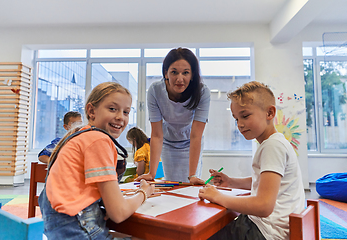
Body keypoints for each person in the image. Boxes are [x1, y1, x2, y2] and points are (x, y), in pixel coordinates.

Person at [38, 82, 155, 240]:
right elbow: (118, 213)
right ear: (91, 111)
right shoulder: (98, 140)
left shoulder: (79, 135)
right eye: (113, 109)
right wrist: (144, 192)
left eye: (126, 112)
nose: (121, 117)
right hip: (80, 229)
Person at [199, 81, 305, 240]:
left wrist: (217, 196)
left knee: (204, 233)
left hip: (264, 232)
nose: (239, 125)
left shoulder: (272, 146)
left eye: (245, 116)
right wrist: (232, 182)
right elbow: (266, 183)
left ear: (270, 113)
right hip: (271, 229)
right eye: (236, 119)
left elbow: (263, 206)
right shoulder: (277, 142)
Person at [137, 47, 210, 184]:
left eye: (185, 73)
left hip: (190, 141)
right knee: (171, 184)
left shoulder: (202, 92)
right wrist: (151, 173)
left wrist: (192, 175)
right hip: (168, 141)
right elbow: (157, 135)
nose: (179, 79)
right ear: (166, 73)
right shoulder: (155, 90)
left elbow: (196, 136)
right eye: (174, 72)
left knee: (189, 184)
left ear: (192, 75)